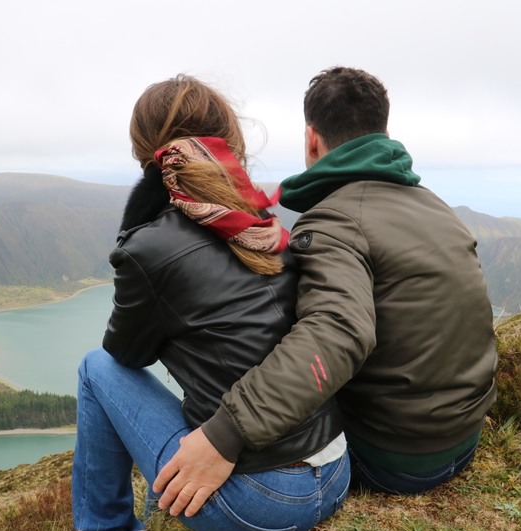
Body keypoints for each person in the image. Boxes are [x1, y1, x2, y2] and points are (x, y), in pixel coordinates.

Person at [155, 66, 498, 505]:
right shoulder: (436, 207)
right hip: (463, 438)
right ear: (384, 130)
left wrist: (226, 433)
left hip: (393, 459)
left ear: (311, 139)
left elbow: (337, 333)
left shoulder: (334, 220)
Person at [72, 75, 349, 531]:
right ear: (231, 141)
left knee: (95, 369)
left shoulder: (148, 247)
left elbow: (126, 355)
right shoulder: (262, 220)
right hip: (334, 471)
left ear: (145, 152)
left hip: (259, 503)